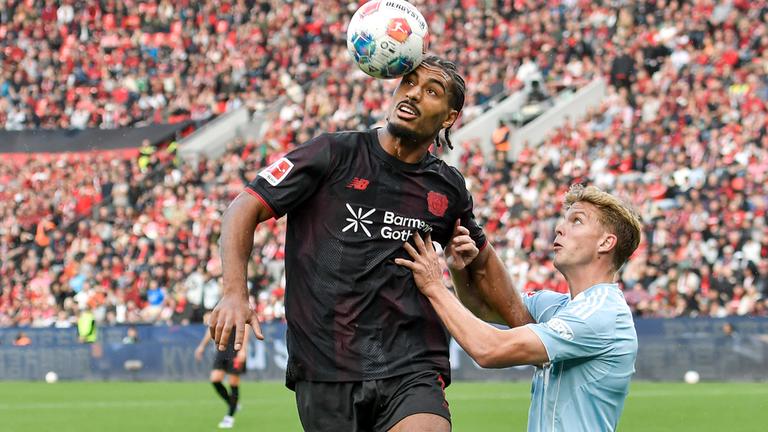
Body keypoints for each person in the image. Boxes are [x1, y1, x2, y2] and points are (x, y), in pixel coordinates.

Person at [209, 56, 490, 431]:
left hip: (411, 362)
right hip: (326, 364)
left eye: (430, 91)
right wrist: (233, 292)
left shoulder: (447, 186)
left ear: (450, 117)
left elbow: (481, 263)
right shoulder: (332, 154)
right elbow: (243, 207)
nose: (412, 95)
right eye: (408, 83)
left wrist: (521, 320)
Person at [396, 184, 643, 432]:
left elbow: (490, 350)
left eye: (577, 221)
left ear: (606, 243)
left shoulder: (603, 314)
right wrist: (459, 269)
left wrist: (434, 286)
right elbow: (483, 307)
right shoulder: (561, 305)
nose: (559, 228)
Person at [196, 313, 248, 429]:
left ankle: (229, 417)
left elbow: (246, 327)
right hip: (222, 349)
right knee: (215, 379)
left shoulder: (240, 305)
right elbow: (211, 329)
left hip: (236, 349)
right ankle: (232, 403)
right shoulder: (221, 307)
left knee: (233, 383)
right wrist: (202, 346)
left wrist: (243, 350)